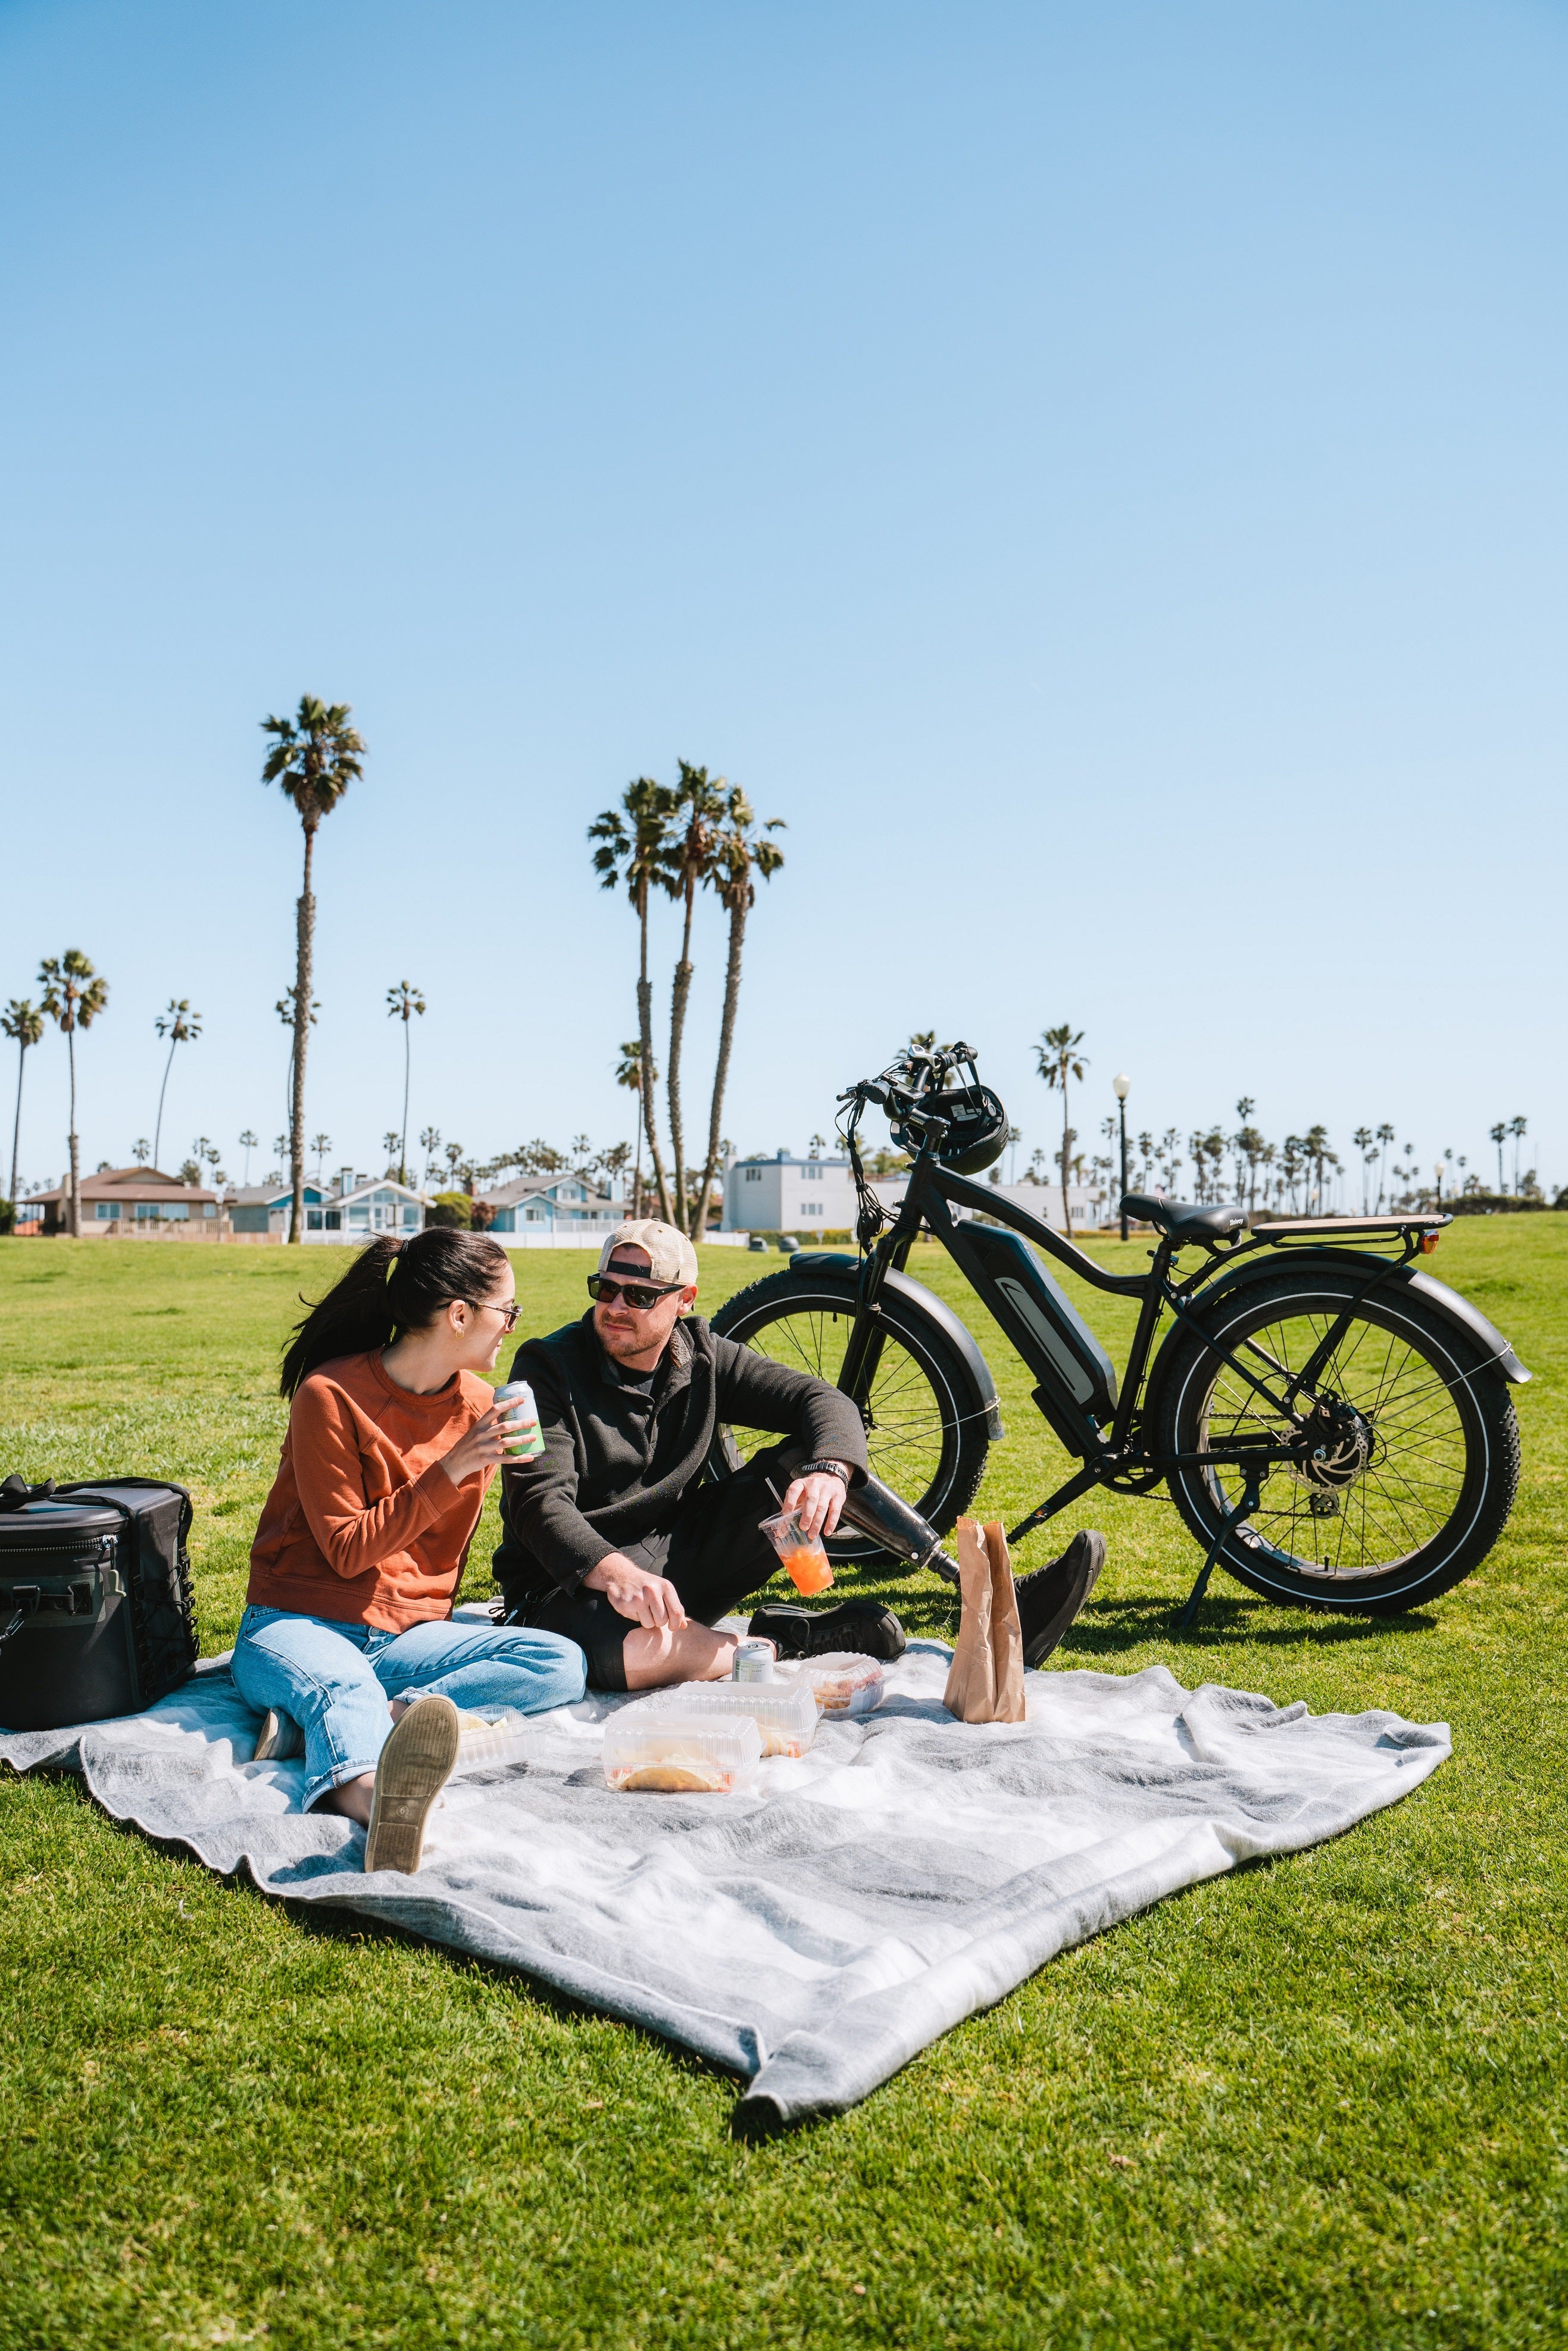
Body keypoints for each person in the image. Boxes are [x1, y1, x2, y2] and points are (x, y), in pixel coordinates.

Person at [492, 1218, 1104, 1691]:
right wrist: (615, 1574)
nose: (616, 1307)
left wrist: (831, 1472)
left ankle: (992, 1599)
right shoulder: (547, 1366)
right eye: (607, 1288)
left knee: (814, 1457)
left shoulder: (702, 1355)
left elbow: (821, 1400)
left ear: (683, 1301)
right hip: (564, 1587)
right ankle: (781, 1645)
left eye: (640, 1295)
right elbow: (539, 1504)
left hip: (669, 1566)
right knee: (610, 1651)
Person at [232, 1228, 586, 1874]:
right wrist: (453, 1467)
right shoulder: (329, 1396)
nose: (511, 1326)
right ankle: (376, 1801)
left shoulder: (482, 1406)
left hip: (404, 1639)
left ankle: (347, 1720)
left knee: (559, 1662)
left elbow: (514, 1520)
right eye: (507, 1310)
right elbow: (346, 1550)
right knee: (341, 1682)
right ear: (459, 1315)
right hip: (295, 1621)